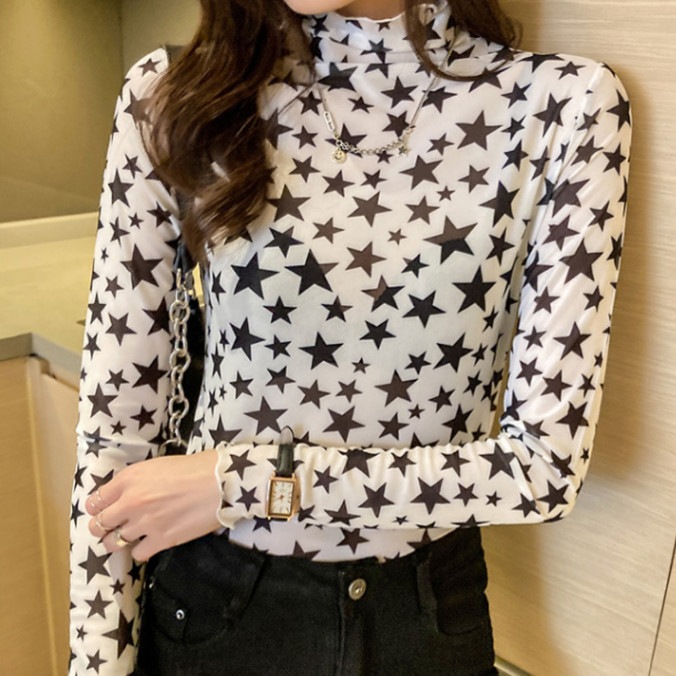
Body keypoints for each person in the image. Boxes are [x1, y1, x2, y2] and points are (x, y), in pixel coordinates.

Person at [69, 0, 631, 673]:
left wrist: (247, 482)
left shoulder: (566, 105)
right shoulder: (173, 95)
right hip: (216, 611)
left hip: (424, 617)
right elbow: (116, 439)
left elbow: (544, 471)